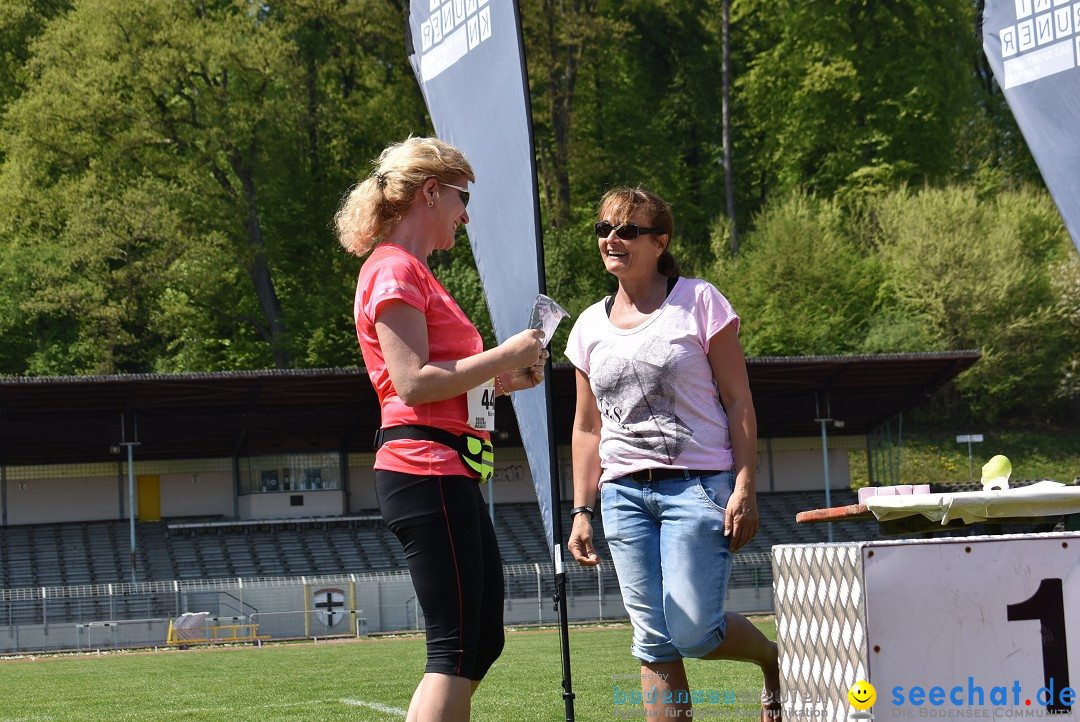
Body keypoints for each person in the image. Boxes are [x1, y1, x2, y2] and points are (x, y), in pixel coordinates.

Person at [335, 136, 547, 722]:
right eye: (460, 196)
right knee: (455, 648)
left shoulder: (411, 271)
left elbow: (437, 382)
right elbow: (413, 383)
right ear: (430, 192)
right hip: (423, 469)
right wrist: (505, 355)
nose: (465, 211)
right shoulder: (394, 270)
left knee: (481, 643)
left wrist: (501, 382)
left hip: (444, 467)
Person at [565, 186, 781, 721]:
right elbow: (587, 427)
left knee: (693, 632)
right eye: (603, 229)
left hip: (697, 486)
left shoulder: (701, 301)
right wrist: (581, 509)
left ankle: (776, 661)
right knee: (653, 639)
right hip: (621, 495)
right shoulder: (588, 325)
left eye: (626, 230)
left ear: (659, 243)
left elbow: (739, 401)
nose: (611, 238)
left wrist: (745, 485)